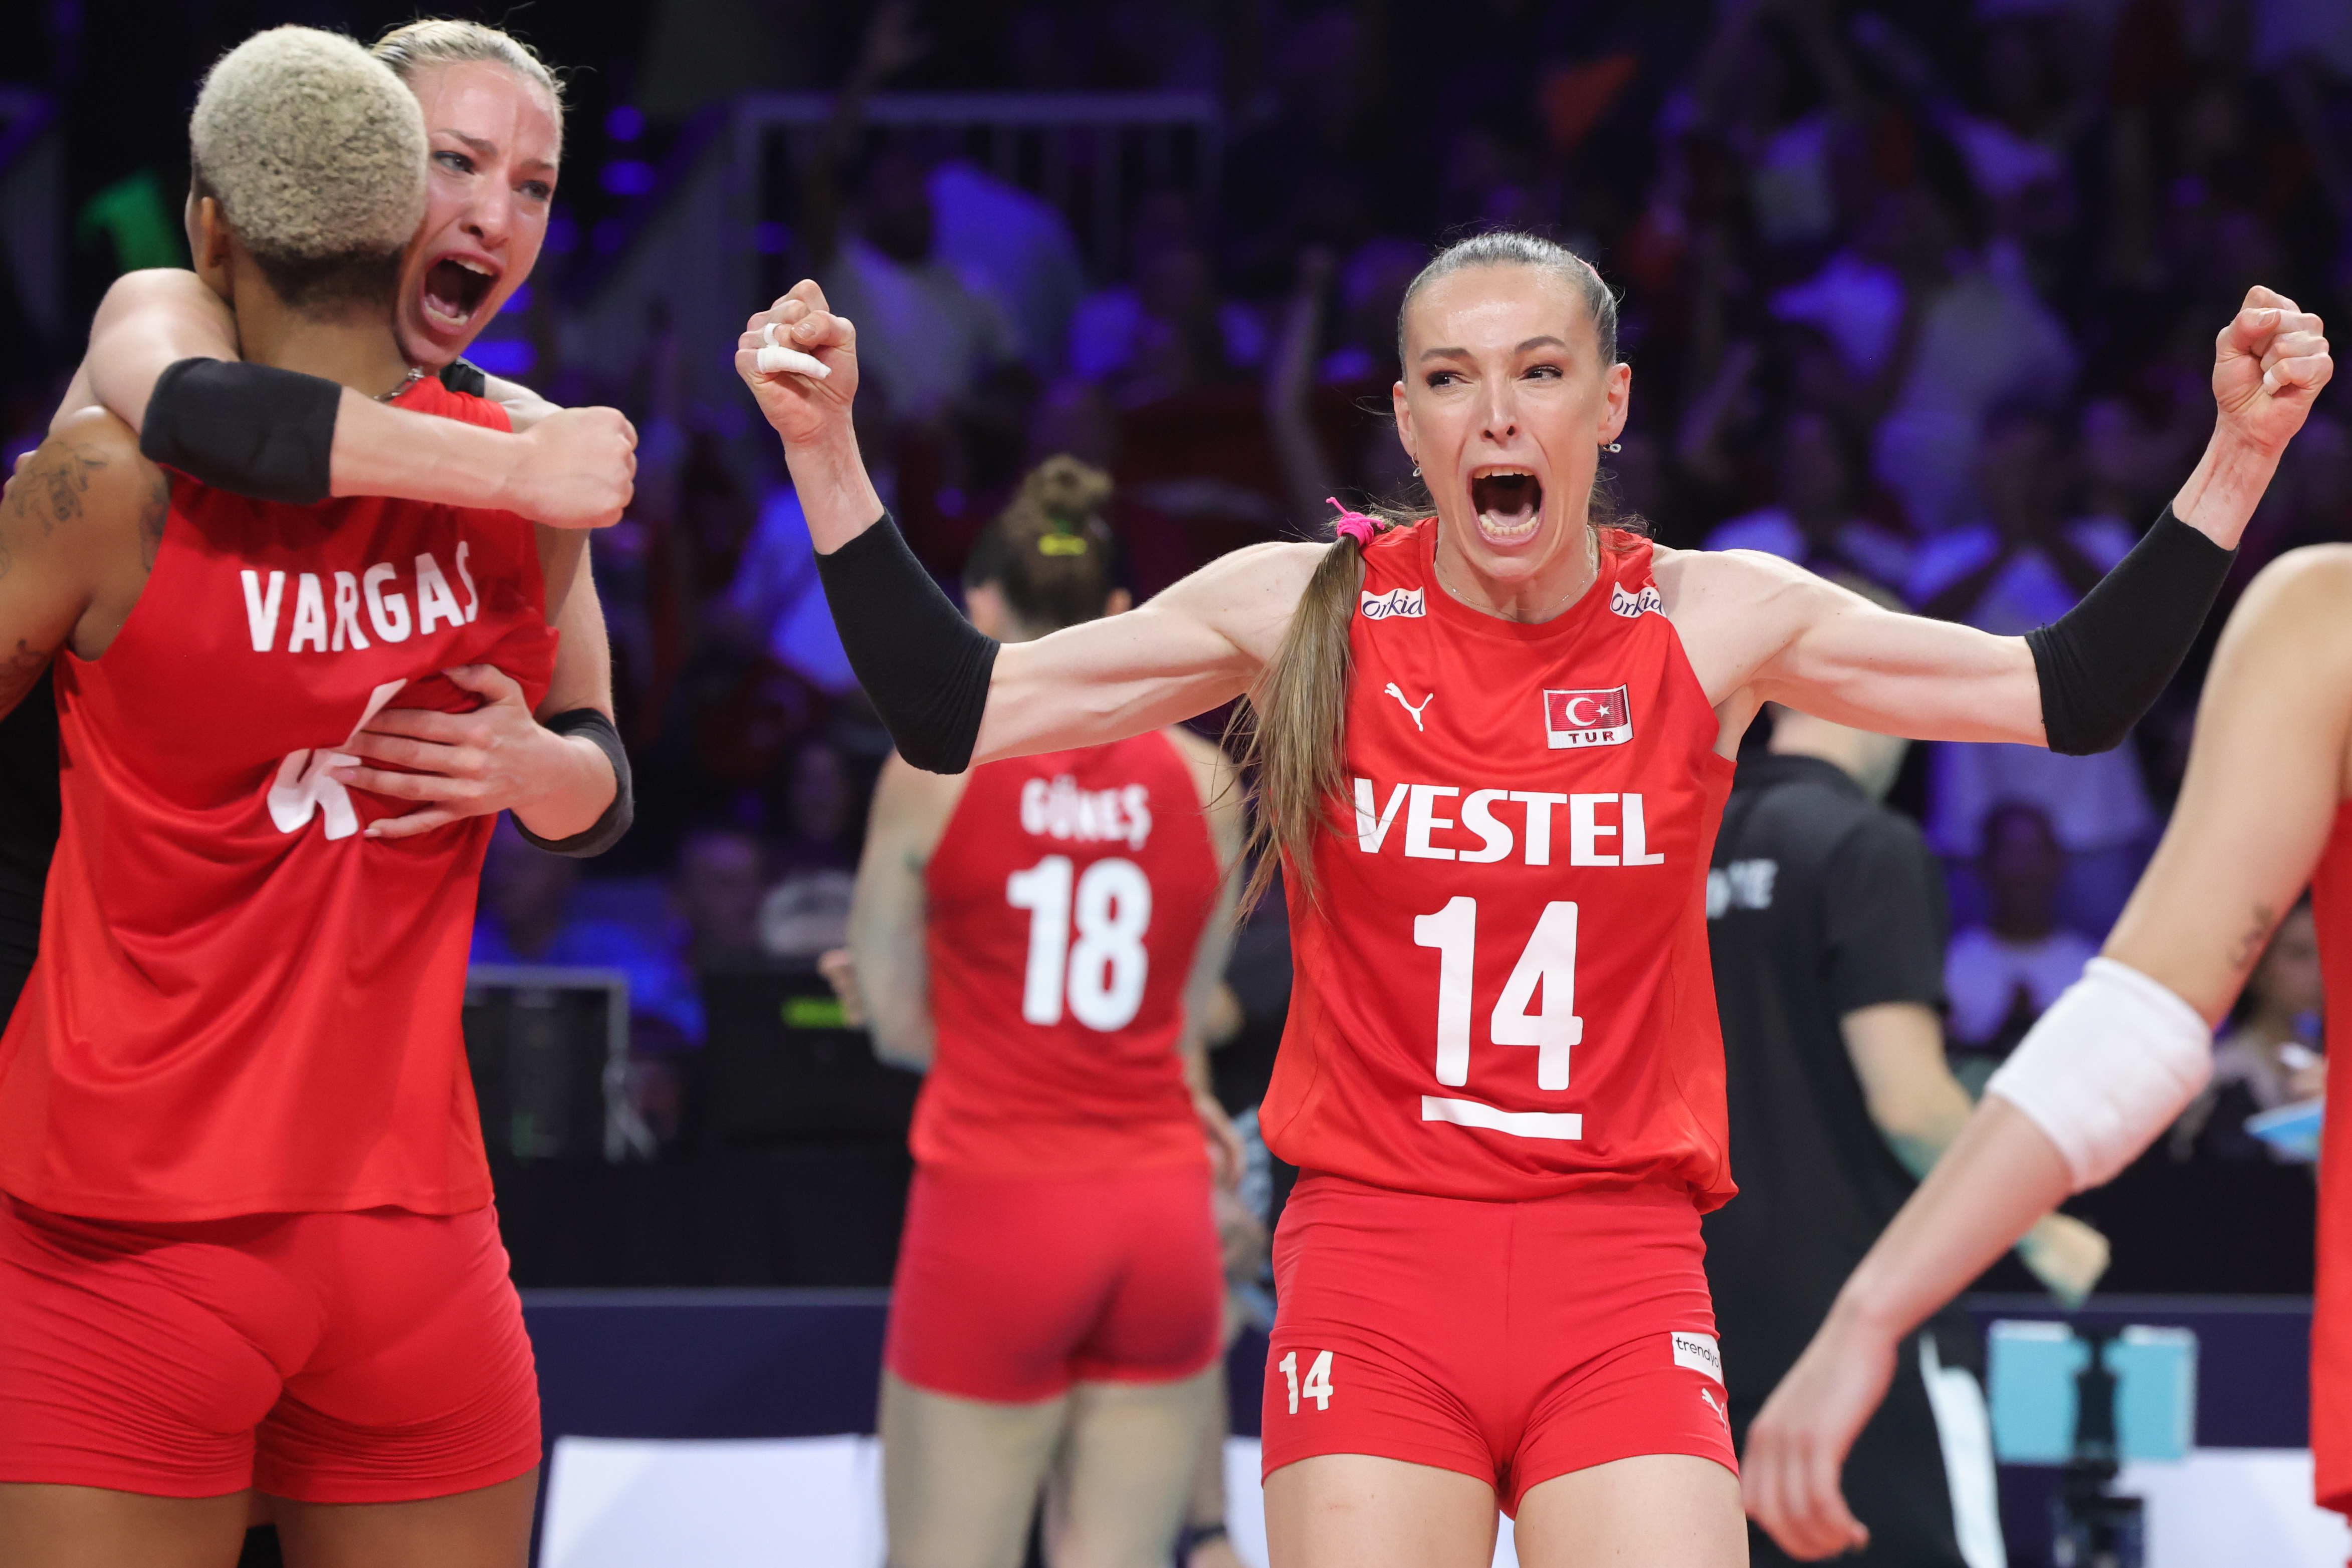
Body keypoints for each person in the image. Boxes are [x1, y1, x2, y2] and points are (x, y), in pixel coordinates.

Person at [739, 230, 2327, 1566]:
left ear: (1610, 404)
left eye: (1540, 370)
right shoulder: (1299, 610)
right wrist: (826, 459)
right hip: (1372, 1254)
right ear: (1412, 430)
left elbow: (2070, 692)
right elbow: (951, 704)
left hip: (1620, 1266)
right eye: (1448, 379)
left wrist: (2233, 458)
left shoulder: (1712, 617)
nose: (1495, 408)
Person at [0, 29, 623, 1564]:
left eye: (532, 185)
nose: (490, 214)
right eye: (454, 164)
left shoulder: (117, 474)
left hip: (273, 1221)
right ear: (348, 172)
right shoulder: (511, 471)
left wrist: (545, 771)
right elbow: (217, 411)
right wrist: (515, 468)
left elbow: (603, 774)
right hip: (235, 1224)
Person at [1737, 571, 2352, 1551]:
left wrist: (1873, 1306)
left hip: (1696, 1290)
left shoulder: (1696, 838)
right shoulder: (1865, 846)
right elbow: (1914, 1095)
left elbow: (2137, 1023)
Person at [835, 455, 1241, 1568]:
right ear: (1121, 614)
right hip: (1159, 1215)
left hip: (998, 1205)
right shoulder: (1208, 787)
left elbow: (897, 1025)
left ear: (978, 605)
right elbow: (1189, 1018)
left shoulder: (934, 770)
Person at [1705, 694, 2107, 1568]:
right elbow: (1909, 1100)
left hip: (1691, 1317)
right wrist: (2038, 1232)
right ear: (1871, 686)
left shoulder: (1676, 840)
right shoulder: (1862, 843)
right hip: (1858, 1319)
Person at [1943, 801, 2097, 1075]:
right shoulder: (1951, 966)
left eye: (2035, 853)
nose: (2024, 869)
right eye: (2011, 853)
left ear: (2058, 863)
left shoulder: (2091, 967)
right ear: (1984, 865)